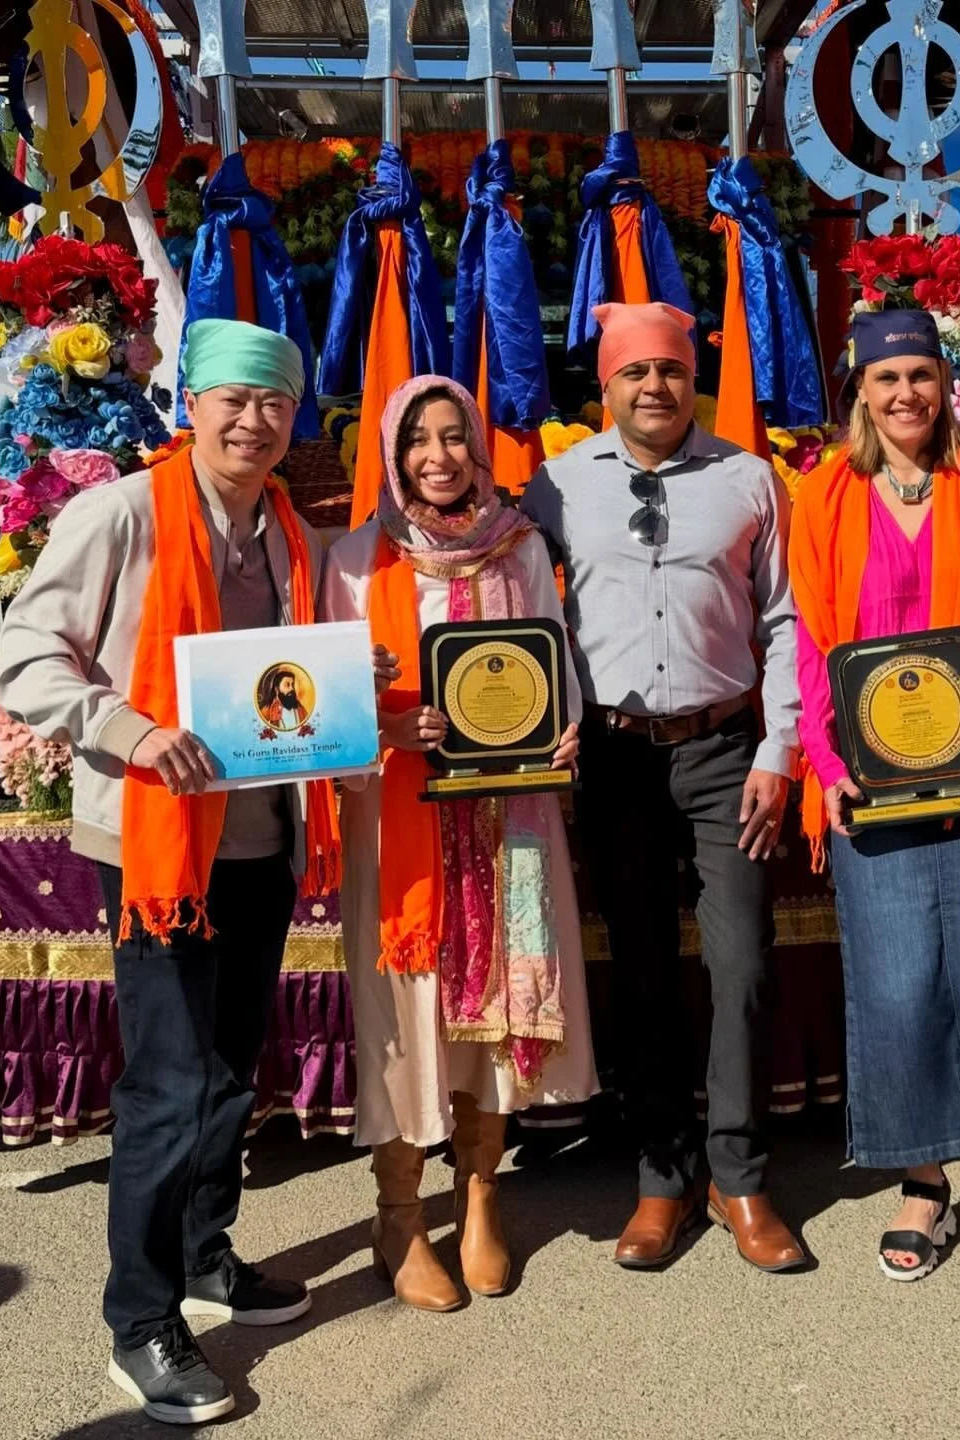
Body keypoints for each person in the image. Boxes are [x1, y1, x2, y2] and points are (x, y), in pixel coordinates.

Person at [0, 320, 384, 1423]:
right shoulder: (123, 513)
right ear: (192, 407)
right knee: (166, 1087)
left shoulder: (291, 537)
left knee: (225, 1069)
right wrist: (128, 728)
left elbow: (289, 688)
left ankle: (207, 1257)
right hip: (161, 850)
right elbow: (30, 656)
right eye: (232, 401)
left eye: (272, 405)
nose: (253, 422)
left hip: (259, 841)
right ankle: (140, 1319)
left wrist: (357, 686)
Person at [521, 301, 805, 1273]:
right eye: (634, 373)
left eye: (672, 372)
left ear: (695, 381)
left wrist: (780, 751)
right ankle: (661, 1174)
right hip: (614, 756)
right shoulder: (554, 487)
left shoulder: (750, 479)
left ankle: (740, 1174)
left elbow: (787, 622)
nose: (655, 387)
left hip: (726, 749)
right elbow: (517, 608)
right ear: (605, 389)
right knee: (640, 967)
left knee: (744, 963)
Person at [789, 308, 960, 1293]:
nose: (903, 393)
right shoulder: (822, 497)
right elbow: (815, 648)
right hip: (874, 791)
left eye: (918, 374)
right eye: (885, 378)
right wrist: (828, 765)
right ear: (859, 391)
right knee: (898, 987)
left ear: (946, 381)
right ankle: (924, 1179)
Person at [321, 375, 597, 1310]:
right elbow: (321, 703)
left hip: (509, 815)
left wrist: (563, 726)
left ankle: (480, 1196)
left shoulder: (519, 548)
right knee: (408, 1015)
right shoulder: (359, 559)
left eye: (454, 438)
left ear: (478, 449)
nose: (437, 457)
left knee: (494, 1017)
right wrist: (382, 727)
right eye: (418, 441)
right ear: (393, 455)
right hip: (400, 825)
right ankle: (398, 1214)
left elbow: (552, 660)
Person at [258, 666, 310, 731]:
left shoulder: (300, 709)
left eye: (292, 685)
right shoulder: (268, 710)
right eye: (287, 685)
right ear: (277, 689)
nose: (291, 688)